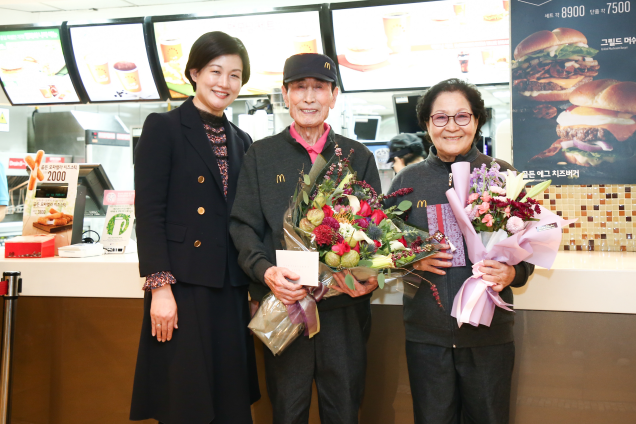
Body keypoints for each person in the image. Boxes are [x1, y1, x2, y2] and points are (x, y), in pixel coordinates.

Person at [230, 53, 381, 424]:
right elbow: (243, 225)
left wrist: (370, 271)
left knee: (344, 410)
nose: (309, 97)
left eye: (319, 88)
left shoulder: (357, 156)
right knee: (287, 412)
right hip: (286, 305)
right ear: (285, 95)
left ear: (334, 96)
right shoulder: (260, 155)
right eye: (300, 88)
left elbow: (376, 228)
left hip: (343, 311)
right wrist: (265, 273)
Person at [385, 78, 534, 424]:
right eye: (440, 118)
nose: (451, 126)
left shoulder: (502, 177)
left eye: (462, 116)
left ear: (477, 120)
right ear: (426, 125)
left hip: (488, 336)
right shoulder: (407, 181)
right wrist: (411, 259)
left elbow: (528, 250)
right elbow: (384, 254)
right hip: (427, 336)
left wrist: (513, 273)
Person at [130, 31, 260, 424]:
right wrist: (160, 289)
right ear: (194, 72)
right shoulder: (163, 128)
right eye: (215, 71)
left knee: (229, 405)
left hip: (229, 289)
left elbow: (245, 220)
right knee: (186, 403)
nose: (224, 83)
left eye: (235, 75)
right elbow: (149, 213)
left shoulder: (242, 139)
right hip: (183, 287)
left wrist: (254, 287)